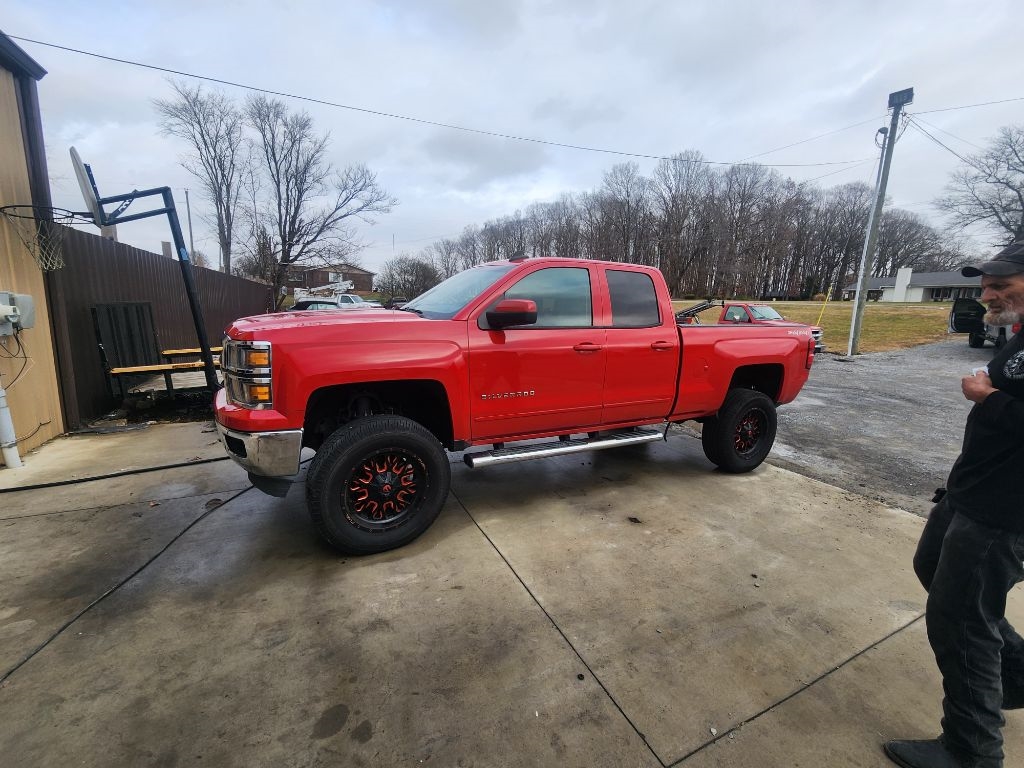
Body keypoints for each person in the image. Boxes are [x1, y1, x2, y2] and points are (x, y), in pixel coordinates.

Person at [884, 240, 1024, 768]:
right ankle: (1014, 675)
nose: (987, 292)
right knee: (931, 567)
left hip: (1002, 512)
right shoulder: (1016, 332)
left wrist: (990, 400)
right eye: (985, 283)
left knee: (961, 620)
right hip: (970, 493)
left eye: (1000, 283)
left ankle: (971, 752)